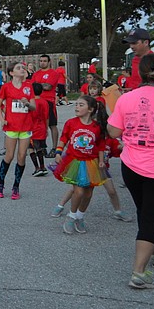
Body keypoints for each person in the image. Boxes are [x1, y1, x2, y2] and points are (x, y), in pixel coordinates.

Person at [107, 53, 154, 289]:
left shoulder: (126, 99)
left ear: (138, 74)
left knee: (146, 213)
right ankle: (138, 273)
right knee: (151, 218)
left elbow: (113, 131)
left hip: (131, 167)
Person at [52, 95, 109, 235]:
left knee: (88, 193)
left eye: (81, 105)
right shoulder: (71, 123)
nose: (77, 107)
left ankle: (80, 216)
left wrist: (101, 160)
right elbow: (64, 138)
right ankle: (71, 216)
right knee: (78, 190)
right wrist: (58, 152)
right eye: (76, 104)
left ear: (90, 109)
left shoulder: (96, 127)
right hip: (75, 161)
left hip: (92, 162)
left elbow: (101, 144)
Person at [0, 62, 36, 200]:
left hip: (26, 126)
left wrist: (27, 103)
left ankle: (16, 186)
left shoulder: (28, 87)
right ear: (11, 73)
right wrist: (2, 118)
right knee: (9, 156)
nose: (22, 69)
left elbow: (34, 107)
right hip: (11, 126)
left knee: (22, 156)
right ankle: (0, 183)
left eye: (23, 68)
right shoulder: (6, 87)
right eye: (19, 68)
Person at [34, 54, 61, 157]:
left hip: (49, 101)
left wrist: (38, 85)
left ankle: (55, 148)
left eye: (44, 61)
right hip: (37, 101)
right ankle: (42, 146)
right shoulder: (36, 74)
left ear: (49, 62)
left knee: (52, 124)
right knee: (40, 124)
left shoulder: (53, 73)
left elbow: (48, 86)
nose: (42, 63)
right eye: (41, 61)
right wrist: (42, 84)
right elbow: (34, 86)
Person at [27, 83, 49, 177]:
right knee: (40, 147)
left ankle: (37, 167)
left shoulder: (30, 103)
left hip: (32, 127)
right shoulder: (44, 102)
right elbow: (47, 116)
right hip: (42, 126)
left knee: (31, 148)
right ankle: (43, 166)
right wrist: (46, 127)